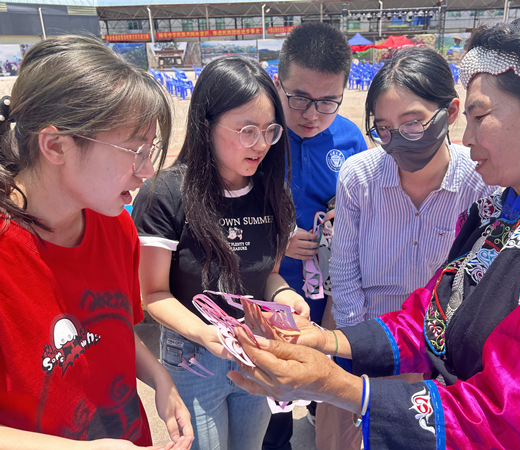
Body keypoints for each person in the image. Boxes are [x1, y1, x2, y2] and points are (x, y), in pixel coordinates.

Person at [228, 20, 520, 449]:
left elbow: (507, 415)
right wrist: (328, 339)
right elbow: (433, 316)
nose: (468, 136)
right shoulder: (496, 210)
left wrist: (338, 384)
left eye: (480, 116)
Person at [0, 35, 193, 449]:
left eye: (151, 149)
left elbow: (113, 330)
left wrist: (160, 377)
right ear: (56, 145)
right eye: (133, 150)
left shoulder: (115, 225)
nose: (146, 171)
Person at [132, 56, 307, 450]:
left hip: (254, 348)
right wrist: (205, 333)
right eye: (247, 130)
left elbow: (267, 275)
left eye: (269, 130)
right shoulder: (165, 194)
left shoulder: (271, 192)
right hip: (194, 354)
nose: (261, 145)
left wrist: (284, 296)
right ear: (206, 125)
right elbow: (153, 294)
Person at [324, 46, 496, 449]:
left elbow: (478, 291)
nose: (396, 140)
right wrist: (364, 358)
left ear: (450, 113)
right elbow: (346, 275)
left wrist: (430, 365)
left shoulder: (482, 185)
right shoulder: (359, 178)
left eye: (413, 124)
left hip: (442, 358)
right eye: (383, 128)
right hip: (366, 344)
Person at [268, 21, 368, 449]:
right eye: (299, 99)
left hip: (330, 291)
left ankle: (315, 415)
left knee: (322, 372)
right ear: (277, 83)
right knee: (272, 386)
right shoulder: (258, 136)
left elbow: (366, 209)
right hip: (270, 288)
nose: (312, 114)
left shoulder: (348, 138)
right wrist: (278, 238)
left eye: (328, 101)